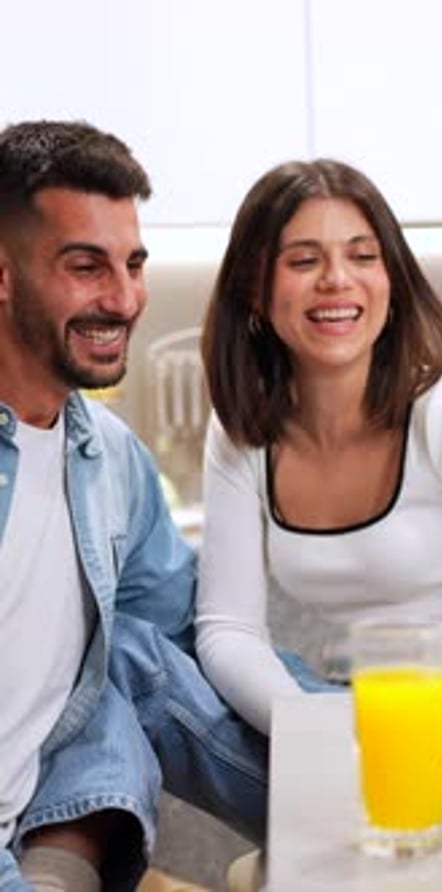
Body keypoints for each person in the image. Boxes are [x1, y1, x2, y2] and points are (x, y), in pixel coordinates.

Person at [0, 120, 268, 892]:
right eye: (86, 267)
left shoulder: (105, 455)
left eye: (134, 264)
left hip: (47, 824)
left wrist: (337, 749)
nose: (122, 299)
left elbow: (190, 648)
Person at [197, 157, 442, 737]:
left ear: (391, 280)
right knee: (151, 666)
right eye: (304, 260)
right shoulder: (242, 431)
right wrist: (308, 729)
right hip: (344, 705)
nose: (337, 278)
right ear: (255, 290)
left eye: (363, 256)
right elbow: (227, 629)